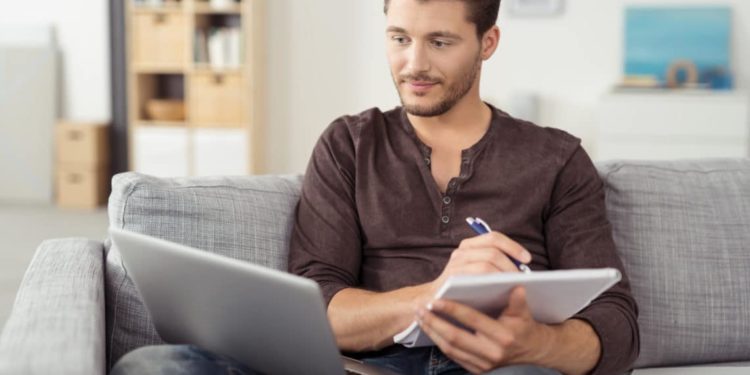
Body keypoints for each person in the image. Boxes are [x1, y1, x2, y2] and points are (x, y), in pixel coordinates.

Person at [111, 0, 639, 374]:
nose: (414, 64)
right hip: (363, 367)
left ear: (488, 42)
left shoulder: (557, 158)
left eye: (440, 42)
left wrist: (540, 345)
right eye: (399, 38)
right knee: (153, 365)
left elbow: (616, 323)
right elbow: (320, 304)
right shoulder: (350, 145)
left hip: (498, 371)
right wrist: (433, 297)